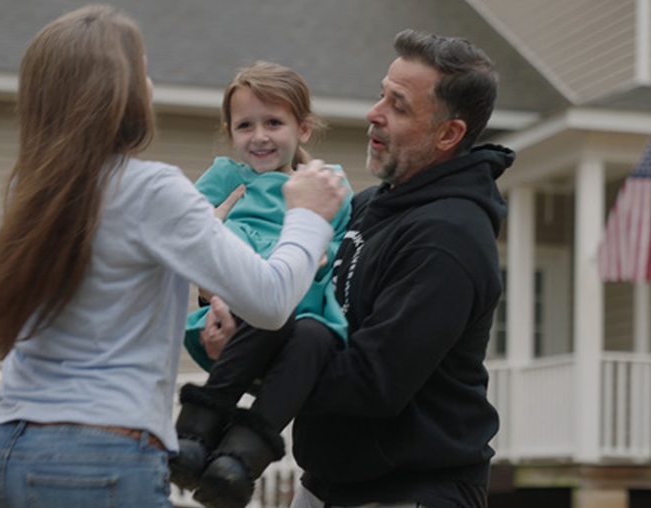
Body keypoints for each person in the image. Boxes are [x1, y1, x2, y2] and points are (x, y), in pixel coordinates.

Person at [0, 6, 348, 508]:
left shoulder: (30, 186)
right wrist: (309, 216)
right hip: (95, 458)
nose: (149, 82)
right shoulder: (152, 189)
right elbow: (274, 302)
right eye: (141, 68)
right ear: (118, 90)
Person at [203, 30, 514, 508]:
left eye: (399, 105)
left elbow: (371, 384)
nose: (374, 113)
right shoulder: (370, 205)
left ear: (448, 134)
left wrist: (254, 359)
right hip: (327, 484)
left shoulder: (449, 238)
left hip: (410, 491)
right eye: (380, 94)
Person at [170, 62, 352, 508]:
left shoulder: (327, 184)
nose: (259, 136)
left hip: (304, 312)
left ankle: (240, 460)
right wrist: (208, 278)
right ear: (229, 131)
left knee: (315, 336)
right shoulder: (228, 179)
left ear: (304, 129)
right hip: (236, 310)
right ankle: (195, 433)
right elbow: (181, 234)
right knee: (266, 306)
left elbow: (337, 251)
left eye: (274, 122)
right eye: (245, 125)